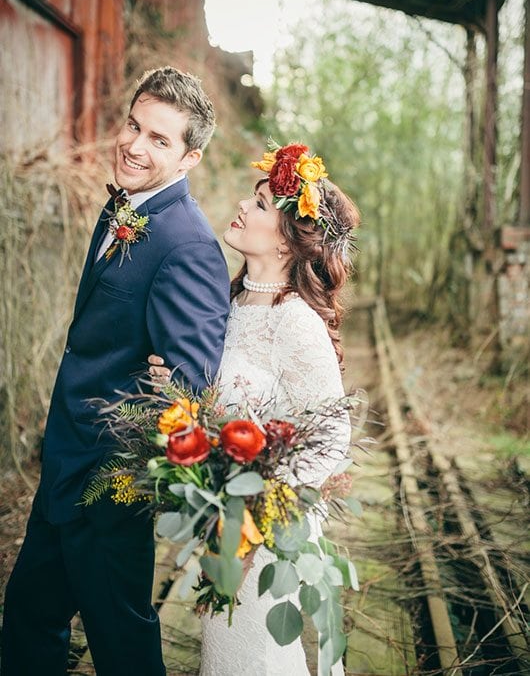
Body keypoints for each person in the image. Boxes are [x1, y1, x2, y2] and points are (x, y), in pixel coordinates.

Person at [1, 67, 231, 676]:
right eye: (134, 125)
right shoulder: (121, 210)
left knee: (122, 642)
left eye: (160, 139)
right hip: (66, 461)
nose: (135, 144)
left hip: (109, 485)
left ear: (190, 158)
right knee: (28, 614)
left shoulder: (189, 245)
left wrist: (129, 471)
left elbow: (188, 390)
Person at [149, 140, 360, 675]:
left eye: (261, 204)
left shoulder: (296, 323)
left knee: (254, 657)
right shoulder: (233, 302)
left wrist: (260, 517)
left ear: (288, 243)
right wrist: (174, 384)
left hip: (265, 531)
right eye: (253, 196)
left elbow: (331, 438)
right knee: (222, 652)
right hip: (224, 519)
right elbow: (218, 397)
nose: (244, 205)